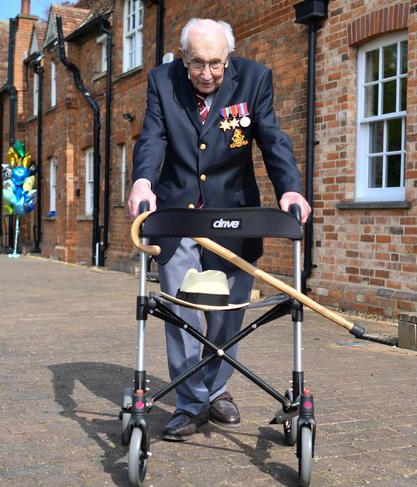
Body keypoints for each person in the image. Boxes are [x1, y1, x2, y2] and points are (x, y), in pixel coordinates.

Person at [128, 18, 311, 442]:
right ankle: (190, 403)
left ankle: (218, 390)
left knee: (229, 312)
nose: (207, 74)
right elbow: (152, 139)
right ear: (182, 57)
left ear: (228, 58)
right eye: (196, 64)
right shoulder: (161, 81)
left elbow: (271, 138)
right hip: (177, 214)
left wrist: (290, 191)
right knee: (181, 308)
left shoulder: (255, 78)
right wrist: (142, 183)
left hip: (235, 212)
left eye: (215, 64)